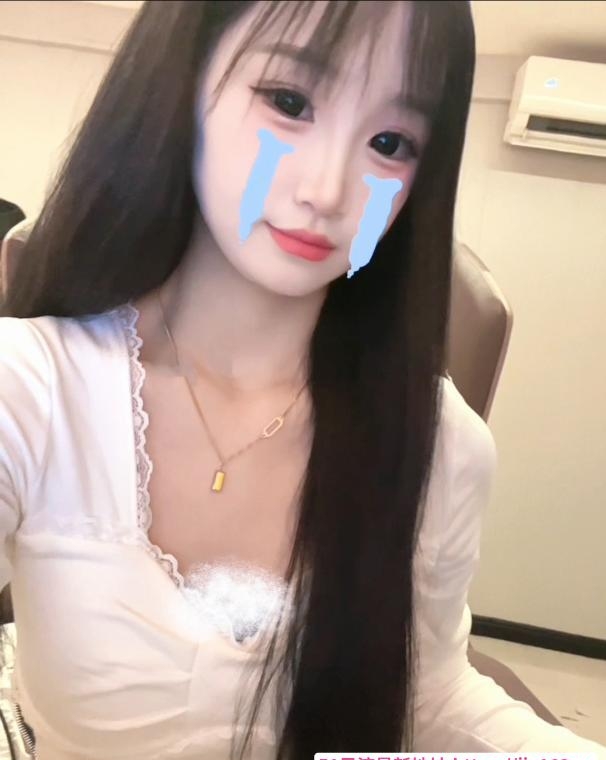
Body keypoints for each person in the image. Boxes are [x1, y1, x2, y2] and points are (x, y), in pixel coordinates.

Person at [0, 2, 604, 759]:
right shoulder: (30, 389)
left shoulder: (441, 443)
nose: (327, 189)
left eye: (390, 143)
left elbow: (431, 693)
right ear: (182, 84)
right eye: (289, 101)